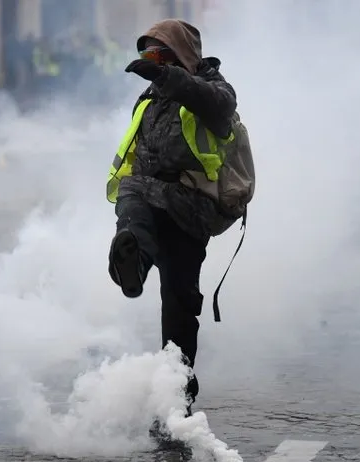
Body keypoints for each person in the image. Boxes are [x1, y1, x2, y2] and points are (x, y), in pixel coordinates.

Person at [106, 19, 238, 418]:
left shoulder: (214, 90)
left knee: (178, 307)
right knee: (131, 203)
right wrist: (160, 80)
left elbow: (217, 107)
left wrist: (170, 77)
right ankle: (134, 263)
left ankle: (176, 396)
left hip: (188, 206)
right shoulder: (148, 98)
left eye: (159, 54)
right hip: (146, 195)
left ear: (180, 55)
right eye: (146, 54)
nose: (151, 61)